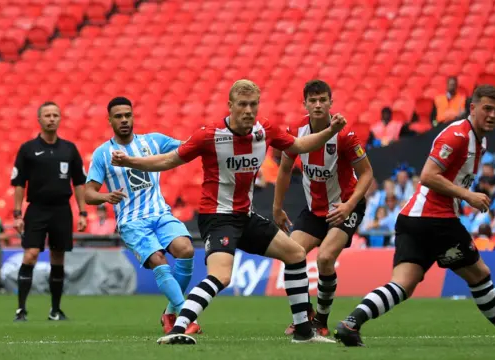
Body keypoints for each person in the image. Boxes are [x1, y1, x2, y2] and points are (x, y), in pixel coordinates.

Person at [111, 79, 344, 345]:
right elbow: (168, 159)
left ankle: (303, 332)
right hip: (218, 217)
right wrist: (131, 161)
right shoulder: (209, 135)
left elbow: (299, 146)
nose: (248, 110)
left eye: (253, 104)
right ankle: (179, 327)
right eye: (242, 105)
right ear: (230, 106)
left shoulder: (264, 130)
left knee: (295, 254)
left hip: (246, 216)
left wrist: (330, 131)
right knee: (221, 276)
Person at [333, 85, 495, 347]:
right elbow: (428, 175)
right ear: (472, 108)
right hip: (435, 220)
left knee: (403, 283)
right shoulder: (458, 136)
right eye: (487, 108)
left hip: (413, 219)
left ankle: (351, 323)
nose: (493, 115)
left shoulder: (479, 141)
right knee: (480, 274)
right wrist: (467, 195)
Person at [84, 97, 199, 334]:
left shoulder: (153, 141)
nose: (124, 120)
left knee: (186, 250)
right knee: (158, 259)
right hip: (132, 222)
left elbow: (188, 147)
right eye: (118, 116)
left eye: (128, 115)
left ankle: (169, 314)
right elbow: (88, 194)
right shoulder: (102, 154)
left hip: (160, 214)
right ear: (110, 120)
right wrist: (106, 197)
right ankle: (187, 319)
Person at [273, 80, 374, 336]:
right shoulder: (296, 131)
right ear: (305, 104)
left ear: (331, 102)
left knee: (325, 258)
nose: (318, 105)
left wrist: (350, 205)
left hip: (345, 207)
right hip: (313, 209)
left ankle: (321, 320)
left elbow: (367, 174)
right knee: (290, 253)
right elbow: (284, 170)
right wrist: (276, 207)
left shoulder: (346, 135)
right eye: (313, 100)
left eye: (322, 100)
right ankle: (304, 314)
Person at [11, 101, 88, 321]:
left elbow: (79, 182)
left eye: (55, 115)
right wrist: (17, 214)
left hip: (62, 210)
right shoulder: (27, 149)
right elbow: (19, 183)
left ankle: (55, 310)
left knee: (58, 257)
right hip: (36, 209)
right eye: (47, 115)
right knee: (31, 254)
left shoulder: (69, 149)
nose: (52, 118)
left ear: (60, 119)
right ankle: (21, 309)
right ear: (39, 119)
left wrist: (83, 213)